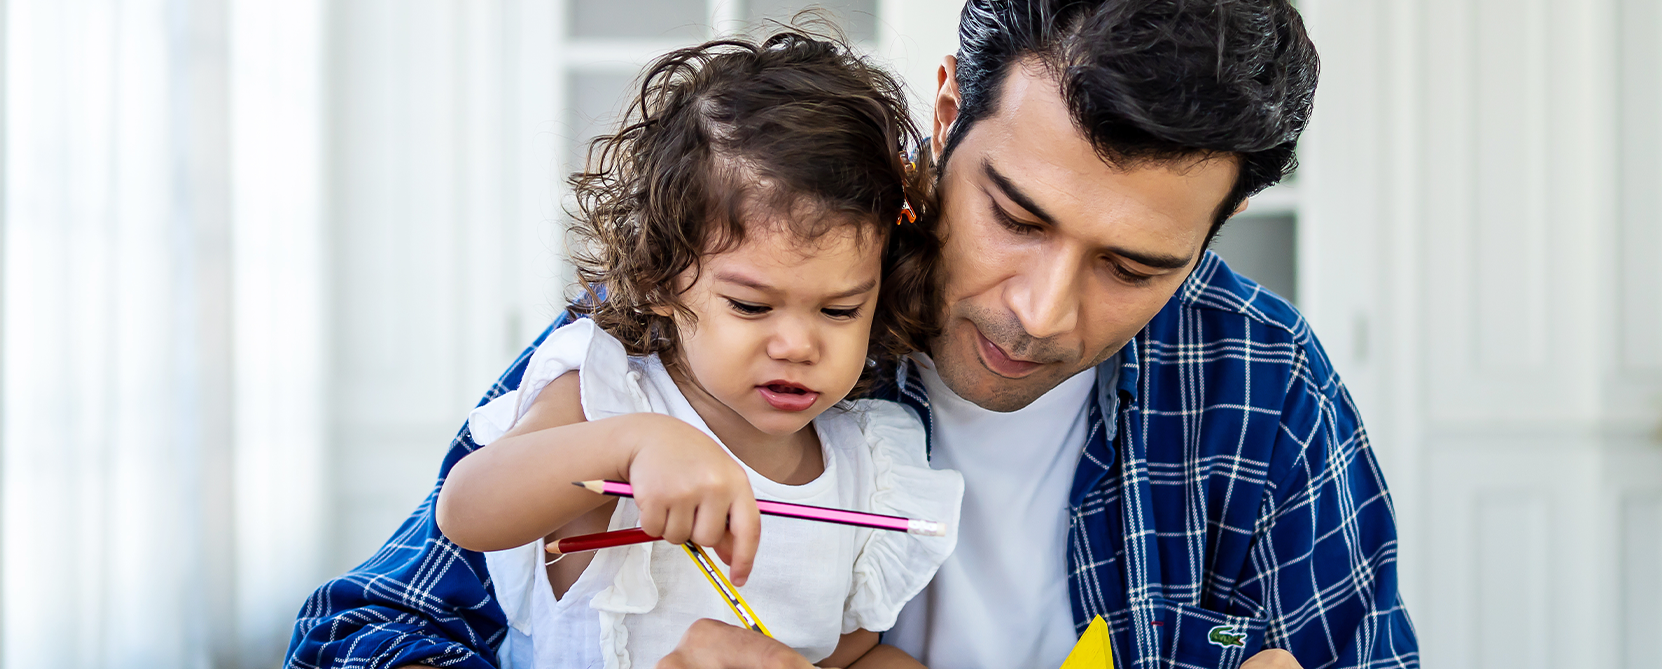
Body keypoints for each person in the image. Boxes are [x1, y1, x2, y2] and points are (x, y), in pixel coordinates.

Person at [288, 1, 1418, 668]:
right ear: (943, 118)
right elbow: (353, 636)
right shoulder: (698, 333)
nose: (1041, 310)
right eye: (1014, 216)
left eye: (1135, 266)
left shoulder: (1264, 389)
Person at [306, 30, 964, 669]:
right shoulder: (606, 394)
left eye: (839, 308)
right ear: (658, 277)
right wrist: (633, 444)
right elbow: (466, 508)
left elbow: (857, 652)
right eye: (752, 306)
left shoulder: (873, 467)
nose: (797, 344)